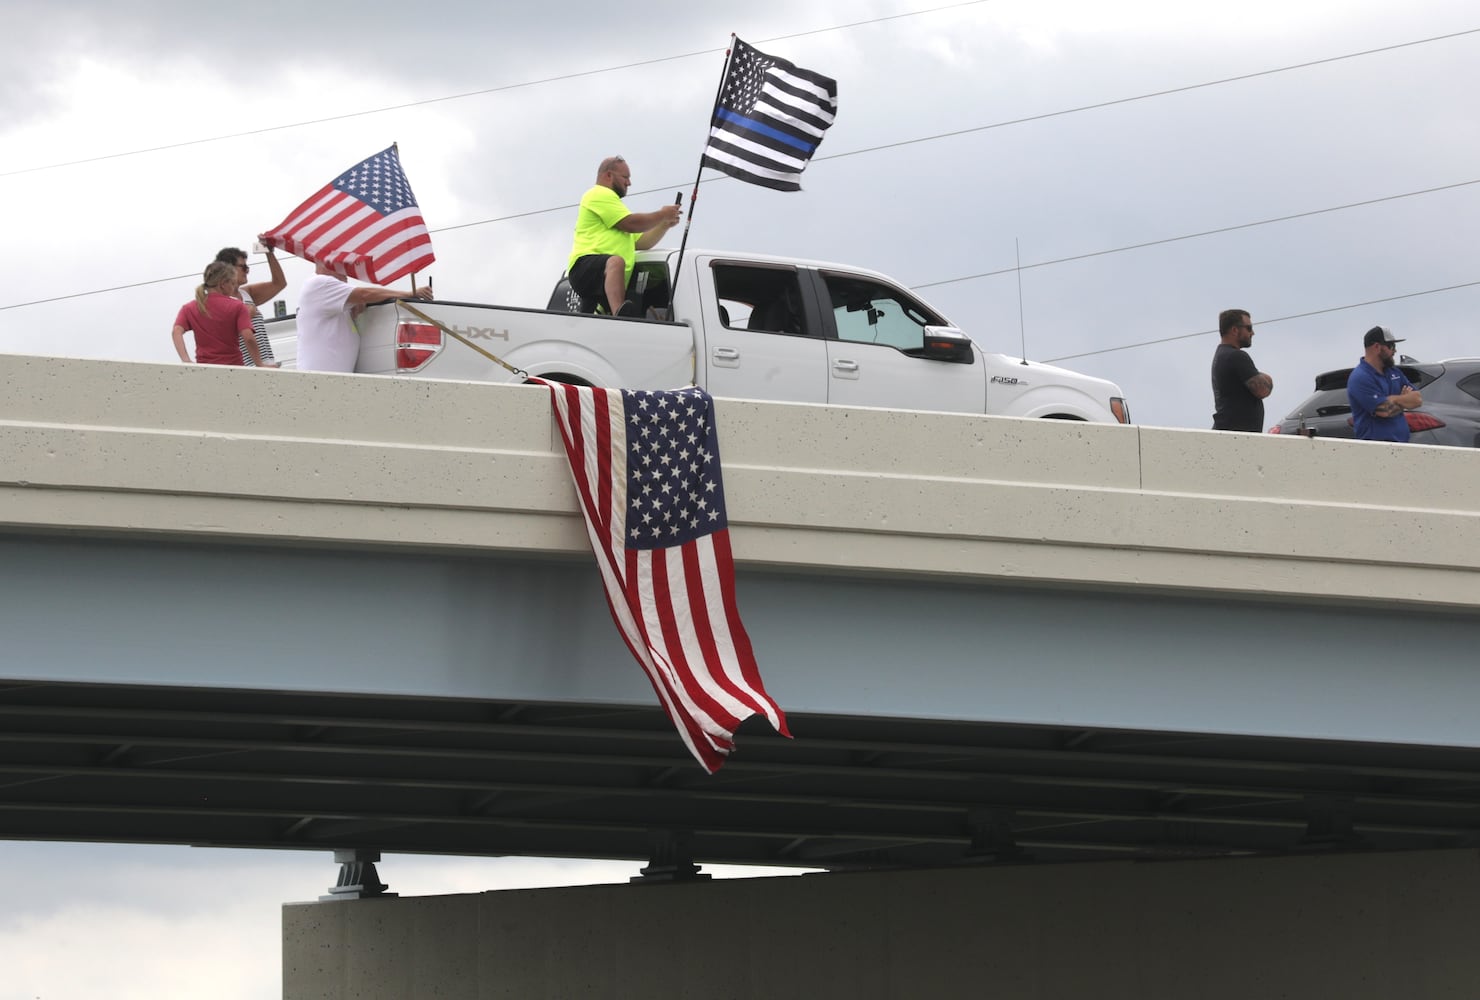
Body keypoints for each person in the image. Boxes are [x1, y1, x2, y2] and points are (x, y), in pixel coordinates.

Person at [565, 155, 682, 316]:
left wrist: (664, 225)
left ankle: (606, 314)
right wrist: (662, 214)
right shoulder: (598, 194)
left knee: (587, 320)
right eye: (625, 177)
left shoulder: (615, 210)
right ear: (608, 175)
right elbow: (631, 223)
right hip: (585, 267)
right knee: (615, 262)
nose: (629, 182)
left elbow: (642, 242)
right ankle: (620, 315)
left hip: (602, 277)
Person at [293, 258, 434, 373]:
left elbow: (362, 297)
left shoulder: (329, 296)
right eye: (341, 264)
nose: (346, 271)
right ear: (325, 262)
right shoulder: (320, 283)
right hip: (318, 383)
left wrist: (359, 302)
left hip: (328, 383)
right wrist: (409, 294)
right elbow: (364, 294)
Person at [171, 261, 265, 366]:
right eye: (232, 283)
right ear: (223, 284)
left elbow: (176, 332)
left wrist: (186, 360)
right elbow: (249, 338)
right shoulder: (237, 306)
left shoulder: (189, 308)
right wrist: (260, 365)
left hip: (205, 370)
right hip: (234, 368)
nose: (234, 287)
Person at [215, 245, 286, 368]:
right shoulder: (219, 301)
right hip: (245, 369)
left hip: (266, 364)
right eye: (243, 267)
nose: (247, 270)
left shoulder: (246, 293)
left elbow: (279, 283)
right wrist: (244, 315)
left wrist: (269, 252)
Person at [1347, 325, 1422, 442]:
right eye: (1391, 346)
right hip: (1377, 449)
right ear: (1377, 347)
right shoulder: (1360, 377)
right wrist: (1403, 399)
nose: (1395, 351)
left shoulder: (1394, 371)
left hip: (1402, 446)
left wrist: (1393, 400)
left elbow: (1417, 399)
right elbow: (1384, 411)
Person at [1210, 308, 1274, 431]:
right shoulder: (1236, 356)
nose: (1252, 333)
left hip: (1229, 434)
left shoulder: (1222, 355)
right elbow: (1263, 390)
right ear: (1234, 330)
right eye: (1249, 328)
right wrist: (1268, 379)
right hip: (1236, 437)